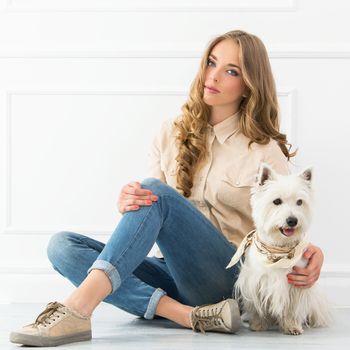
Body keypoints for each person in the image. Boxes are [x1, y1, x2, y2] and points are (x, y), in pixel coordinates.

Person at [10, 29, 324, 347]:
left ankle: (76, 309)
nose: (212, 76)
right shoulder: (169, 133)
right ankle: (188, 316)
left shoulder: (264, 150)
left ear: (248, 86)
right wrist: (129, 203)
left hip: (228, 274)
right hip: (170, 270)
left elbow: (287, 216)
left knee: (155, 192)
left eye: (231, 71)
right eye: (211, 62)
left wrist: (314, 253)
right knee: (61, 246)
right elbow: (154, 209)